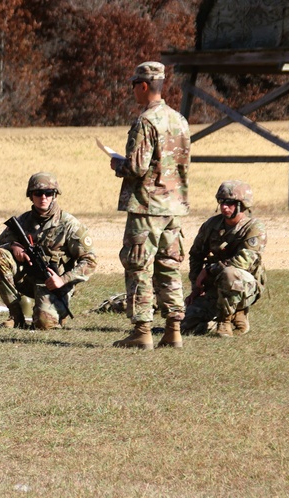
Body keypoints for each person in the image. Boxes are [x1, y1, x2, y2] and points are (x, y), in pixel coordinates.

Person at [109, 61, 190, 350]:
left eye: (134, 85)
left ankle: (142, 331)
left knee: (139, 266)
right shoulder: (180, 120)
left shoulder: (146, 121)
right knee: (169, 266)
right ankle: (173, 330)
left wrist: (119, 164)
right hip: (173, 208)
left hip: (146, 208)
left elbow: (137, 167)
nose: (132, 90)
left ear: (143, 86)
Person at [0, 173, 97, 330]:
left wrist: (63, 279)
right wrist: (13, 246)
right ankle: (17, 316)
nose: (43, 197)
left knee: (44, 325)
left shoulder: (69, 224)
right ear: (31, 196)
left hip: (54, 284)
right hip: (27, 278)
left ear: (55, 195)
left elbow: (90, 261)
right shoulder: (22, 222)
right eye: (38, 193)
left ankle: (55, 311)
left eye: (48, 193)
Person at [182, 180, 266, 336]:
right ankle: (222, 318)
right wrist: (196, 287)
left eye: (230, 203)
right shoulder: (211, 225)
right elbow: (196, 255)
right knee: (187, 326)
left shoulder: (254, 228)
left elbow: (242, 262)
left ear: (242, 204)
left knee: (230, 273)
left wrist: (208, 270)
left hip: (244, 287)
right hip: (215, 285)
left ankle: (225, 320)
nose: (224, 207)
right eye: (221, 202)